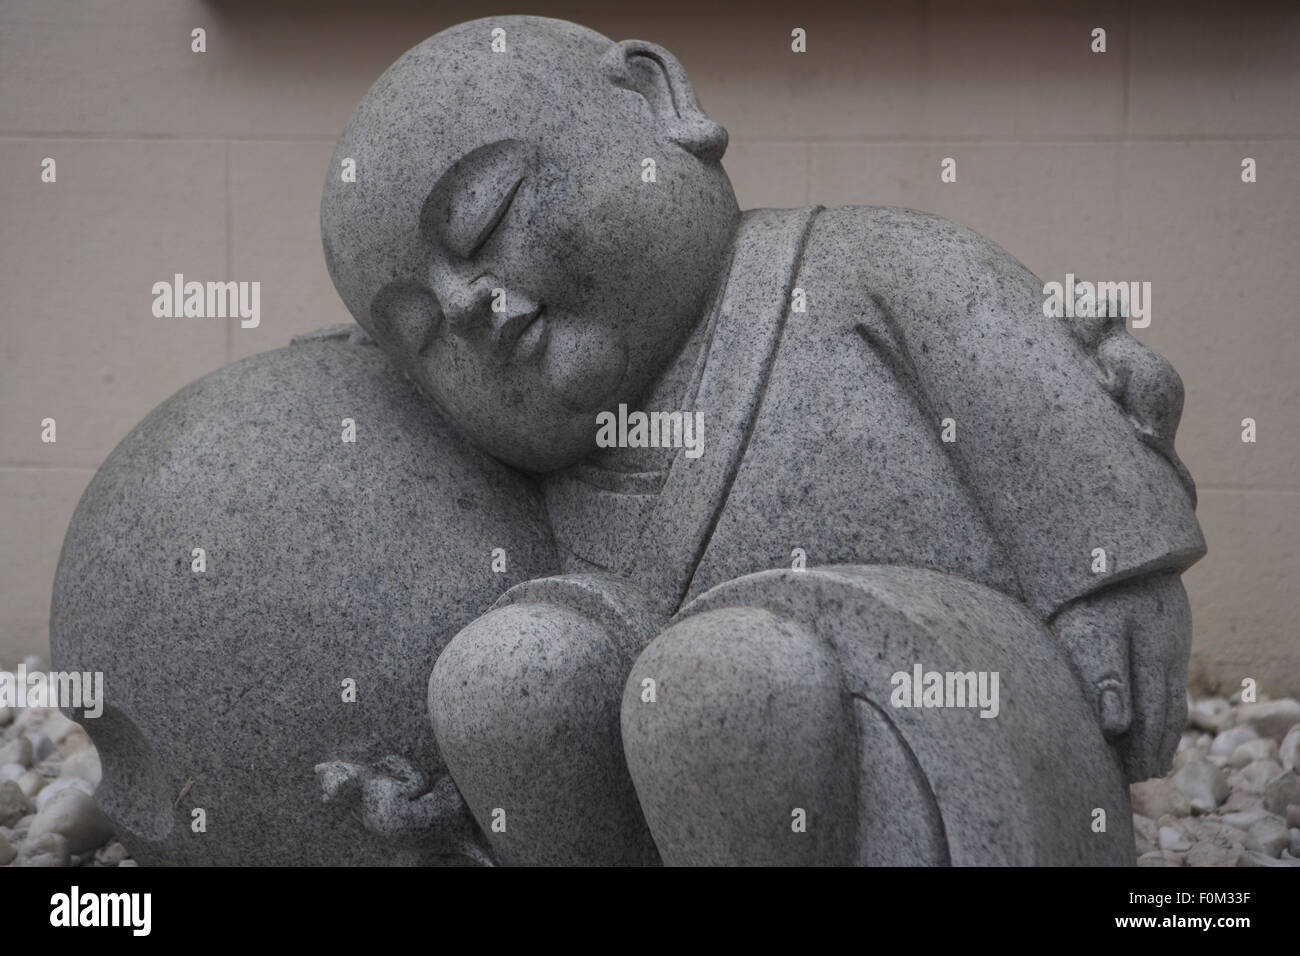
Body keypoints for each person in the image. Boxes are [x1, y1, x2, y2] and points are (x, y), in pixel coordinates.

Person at [322, 15, 1204, 864]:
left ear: (654, 100)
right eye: (422, 330)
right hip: (662, 742)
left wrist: (1111, 579)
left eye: (483, 219)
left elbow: (1013, 374)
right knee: (509, 675)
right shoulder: (555, 473)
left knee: (723, 680)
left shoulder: (860, 267)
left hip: (921, 700)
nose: (467, 305)